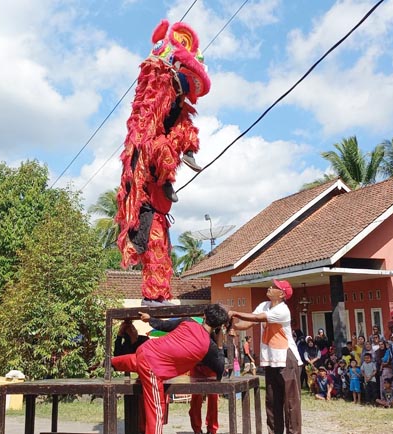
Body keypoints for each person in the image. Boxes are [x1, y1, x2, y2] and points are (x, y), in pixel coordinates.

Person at [115, 19, 211, 306]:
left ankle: (158, 294)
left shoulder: (177, 110)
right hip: (147, 180)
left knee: (162, 243)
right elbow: (143, 138)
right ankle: (152, 295)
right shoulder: (152, 96)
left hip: (158, 196)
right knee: (150, 237)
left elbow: (181, 118)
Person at [111, 304, 227, 434]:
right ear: (218, 326)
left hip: (146, 350)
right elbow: (220, 368)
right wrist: (220, 345)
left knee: (135, 361)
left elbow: (164, 325)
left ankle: (110, 363)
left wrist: (150, 319)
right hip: (154, 368)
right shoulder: (208, 347)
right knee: (157, 410)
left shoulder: (188, 321)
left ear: (204, 316)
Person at [229, 279, 301, 434]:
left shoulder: (283, 310)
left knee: (290, 404)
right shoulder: (264, 305)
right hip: (270, 359)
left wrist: (234, 312)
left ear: (281, 294)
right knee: (272, 401)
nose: (270, 287)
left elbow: (257, 318)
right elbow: (247, 323)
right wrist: (233, 325)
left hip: (286, 358)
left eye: (274, 287)